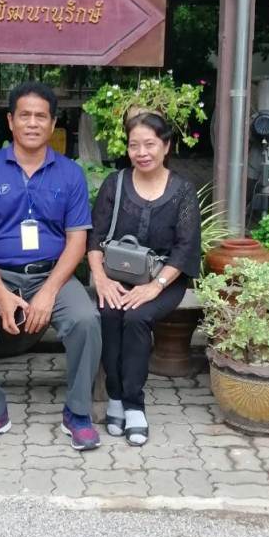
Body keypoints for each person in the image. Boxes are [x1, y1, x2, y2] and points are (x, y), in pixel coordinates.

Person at [0, 81, 102, 451]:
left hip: (52, 273)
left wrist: (49, 292)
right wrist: (1, 294)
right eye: (25, 115)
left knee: (86, 321)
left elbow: (77, 241)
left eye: (41, 116)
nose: (32, 123)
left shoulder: (70, 173)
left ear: (52, 124)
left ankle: (78, 413)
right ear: (10, 121)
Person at [87, 112, 201, 446]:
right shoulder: (115, 183)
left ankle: (134, 405)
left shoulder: (182, 191)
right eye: (134, 145)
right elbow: (94, 238)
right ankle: (115, 397)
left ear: (166, 145)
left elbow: (185, 247)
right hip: (116, 275)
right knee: (110, 313)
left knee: (136, 317)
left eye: (149, 144)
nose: (142, 152)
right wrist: (101, 279)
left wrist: (154, 286)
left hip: (165, 279)